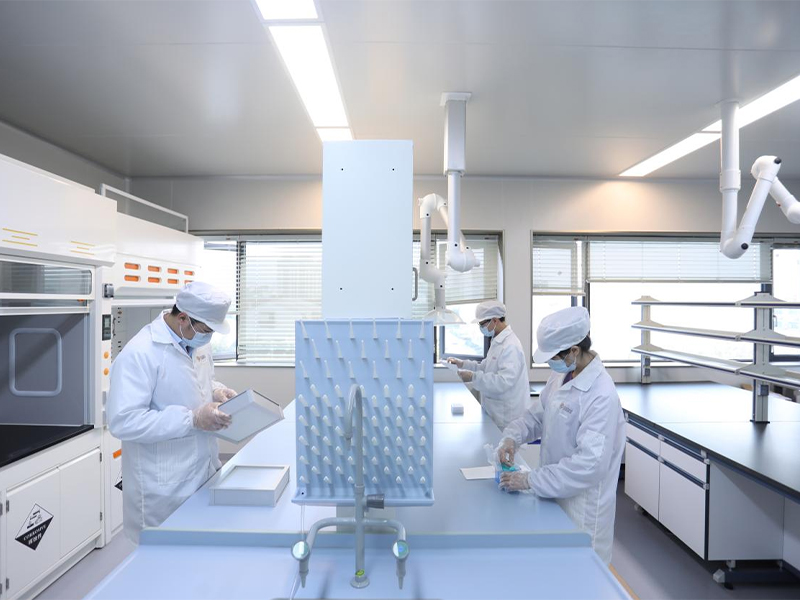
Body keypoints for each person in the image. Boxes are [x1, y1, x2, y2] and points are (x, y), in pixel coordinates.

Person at [108, 282, 237, 543]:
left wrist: (216, 391)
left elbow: (195, 380)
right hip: (163, 485)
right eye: (206, 330)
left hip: (203, 468)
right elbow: (123, 421)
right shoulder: (140, 353)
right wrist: (192, 419)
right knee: (163, 558)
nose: (208, 337)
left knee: (198, 552)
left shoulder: (196, 342)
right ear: (183, 318)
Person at [497, 306, 625, 564]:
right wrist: (512, 437)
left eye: (553, 357)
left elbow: (589, 465)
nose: (550, 363)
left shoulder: (601, 395)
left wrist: (530, 480)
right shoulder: (561, 375)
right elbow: (537, 416)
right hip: (554, 492)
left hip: (582, 508)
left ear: (574, 351)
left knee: (581, 574)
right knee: (555, 567)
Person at [447, 300, 528, 430]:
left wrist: (473, 377)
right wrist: (462, 364)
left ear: (495, 320)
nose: (481, 327)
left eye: (482, 324)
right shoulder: (497, 340)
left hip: (507, 416)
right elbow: (485, 367)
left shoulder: (510, 346)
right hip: (496, 412)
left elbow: (503, 382)